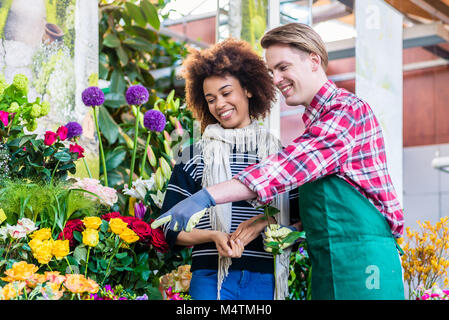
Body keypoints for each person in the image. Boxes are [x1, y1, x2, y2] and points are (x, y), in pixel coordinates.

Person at [153, 22, 405, 300]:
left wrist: (207, 197)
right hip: (331, 262)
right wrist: (265, 223)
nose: (276, 78)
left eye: (283, 67)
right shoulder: (314, 125)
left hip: (364, 263)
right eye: (272, 71)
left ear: (313, 61)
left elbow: (285, 168)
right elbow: (311, 212)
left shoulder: (346, 112)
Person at [158, 38, 299, 300]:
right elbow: (168, 227)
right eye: (211, 99)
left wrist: (263, 222)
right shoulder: (193, 156)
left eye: (226, 93)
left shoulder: (278, 157)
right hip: (210, 278)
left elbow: (300, 219)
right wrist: (213, 235)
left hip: (263, 278)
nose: (219, 104)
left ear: (248, 89)